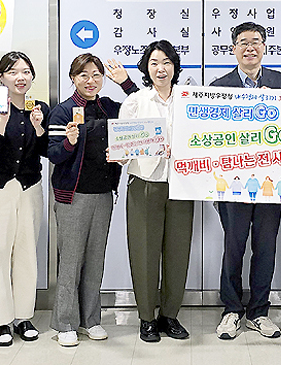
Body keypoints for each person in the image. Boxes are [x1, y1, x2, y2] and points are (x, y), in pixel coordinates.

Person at [212, 21, 281, 340]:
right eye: (243, 42)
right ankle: (232, 310)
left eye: (256, 41)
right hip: (233, 182)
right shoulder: (219, 86)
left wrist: (278, 106)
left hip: (271, 181)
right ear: (233, 49)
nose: (250, 47)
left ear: (264, 47)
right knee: (233, 247)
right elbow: (211, 135)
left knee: (265, 248)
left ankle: (259, 312)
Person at [118, 40, 194, 343]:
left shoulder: (189, 100)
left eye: (166, 62)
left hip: (182, 184)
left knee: (178, 252)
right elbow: (123, 148)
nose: (161, 68)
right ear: (146, 68)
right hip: (145, 182)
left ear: (175, 66)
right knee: (144, 252)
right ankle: (147, 318)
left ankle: (170, 315)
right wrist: (119, 153)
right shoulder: (136, 101)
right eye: (154, 63)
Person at [47, 53, 122, 347]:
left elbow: (139, 110)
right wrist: (69, 143)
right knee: (70, 261)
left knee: (95, 260)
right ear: (73, 78)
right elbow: (53, 154)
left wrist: (125, 82)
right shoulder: (63, 111)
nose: (90, 81)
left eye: (96, 75)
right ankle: (65, 322)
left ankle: (90, 320)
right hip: (72, 196)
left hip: (103, 194)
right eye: (84, 75)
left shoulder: (109, 107)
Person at [0, 51, 49, 347]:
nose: (21, 77)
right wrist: (2, 122)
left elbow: (47, 149)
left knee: (27, 253)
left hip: (29, 187)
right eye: (13, 72)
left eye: (26, 71)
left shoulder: (39, 108)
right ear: (1, 77)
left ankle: (23, 316)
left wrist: (40, 126)